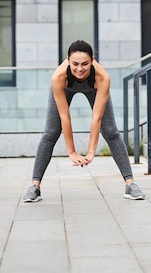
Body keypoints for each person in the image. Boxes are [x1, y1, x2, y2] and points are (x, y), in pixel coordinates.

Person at [23, 40, 144, 202]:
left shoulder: (102, 78)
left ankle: (130, 184)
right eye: (75, 64)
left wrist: (91, 151)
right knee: (51, 132)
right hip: (66, 88)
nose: (80, 69)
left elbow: (97, 117)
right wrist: (72, 152)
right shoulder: (58, 77)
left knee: (111, 131)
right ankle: (35, 186)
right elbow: (65, 116)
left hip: (93, 88)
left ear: (92, 61)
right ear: (68, 61)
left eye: (85, 64)